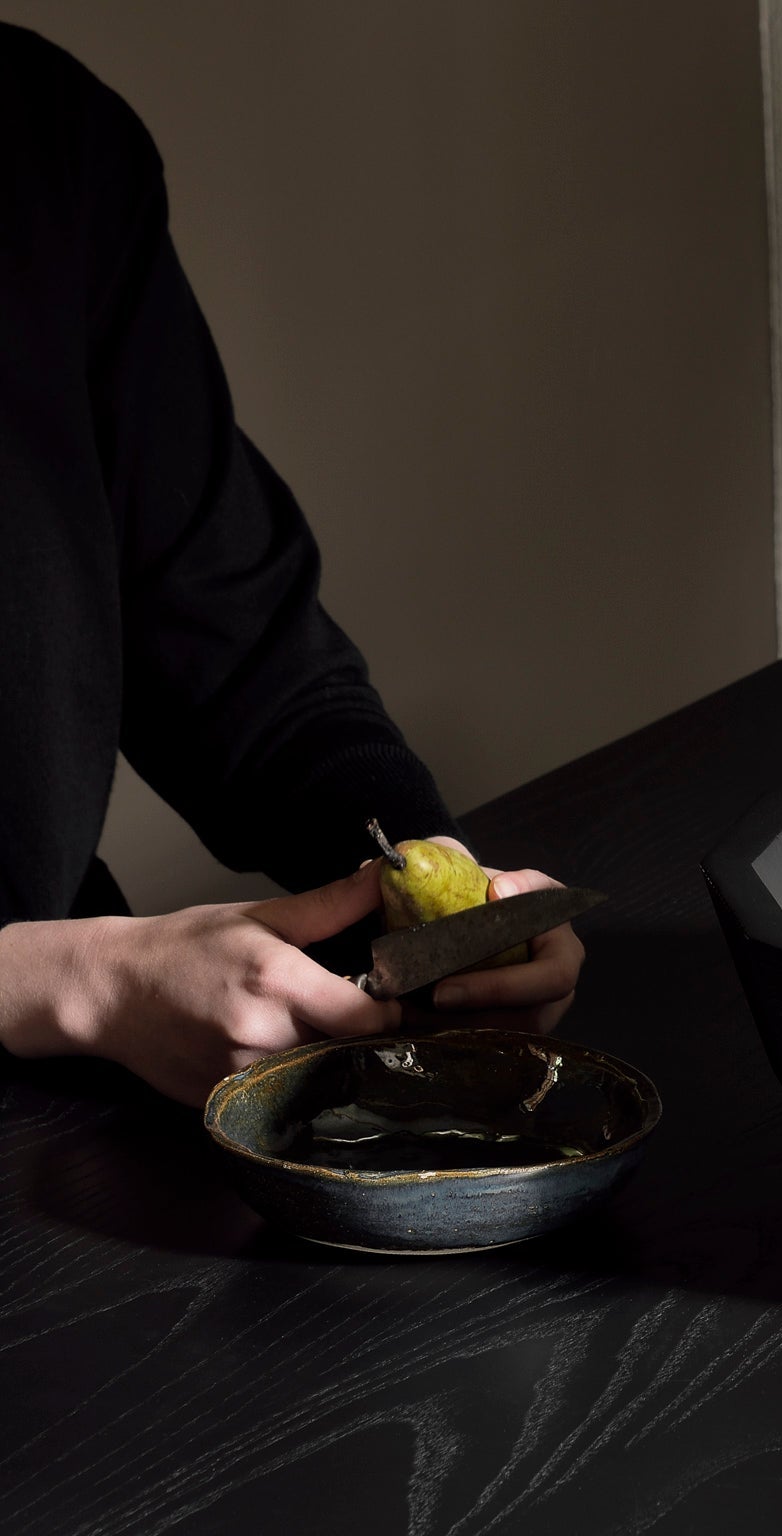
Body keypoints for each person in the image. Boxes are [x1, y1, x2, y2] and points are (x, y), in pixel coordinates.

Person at [0, 26, 583, 1106]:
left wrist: (436, 891)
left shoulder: (44, 133)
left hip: (63, 1083)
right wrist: (73, 980)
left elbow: (244, 662)